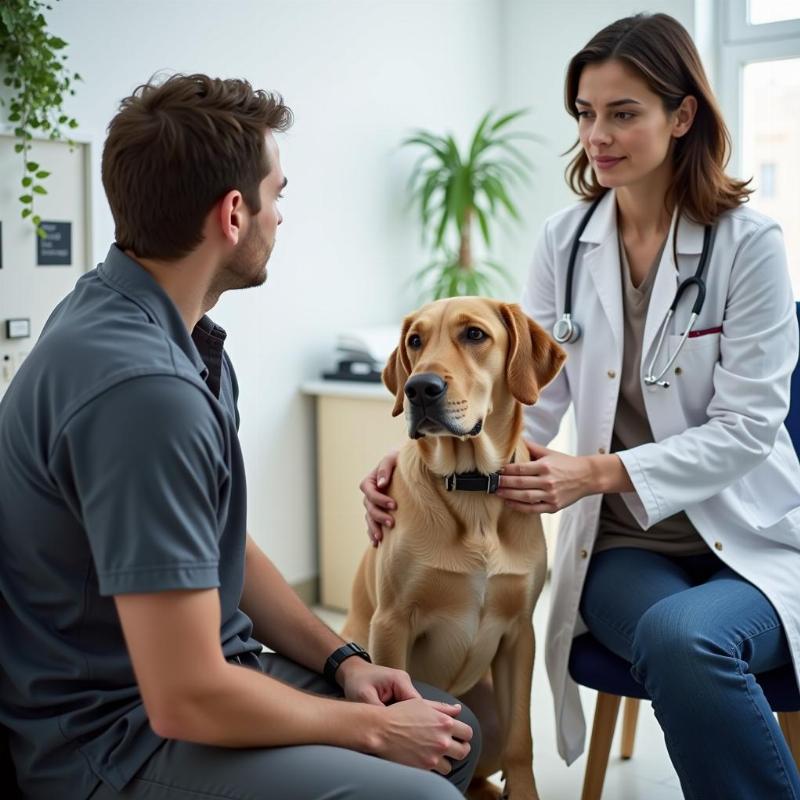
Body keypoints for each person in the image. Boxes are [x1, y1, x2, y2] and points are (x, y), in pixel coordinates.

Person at [0, 74, 480, 800]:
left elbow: (221, 543)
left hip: (205, 681)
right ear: (233, 213)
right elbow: (184, 696)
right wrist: (372, 731)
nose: (280, 216)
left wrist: (344, 662)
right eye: (276, 194)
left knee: (451, 732)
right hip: (115, 740)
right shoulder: (143, 393)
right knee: (423, 787)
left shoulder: (156, 325)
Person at [362, 13, 800, 799]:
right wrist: (416, 456)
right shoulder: (565, 243)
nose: (597, 135)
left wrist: (596, 471)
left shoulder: (750, 245)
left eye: (623, 112)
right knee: (677, 638)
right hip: (626, 550)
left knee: (690, 638)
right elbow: (528, 403)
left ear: (683, 114)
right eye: (586, 113)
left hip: (751, 538)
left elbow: (748, 430)